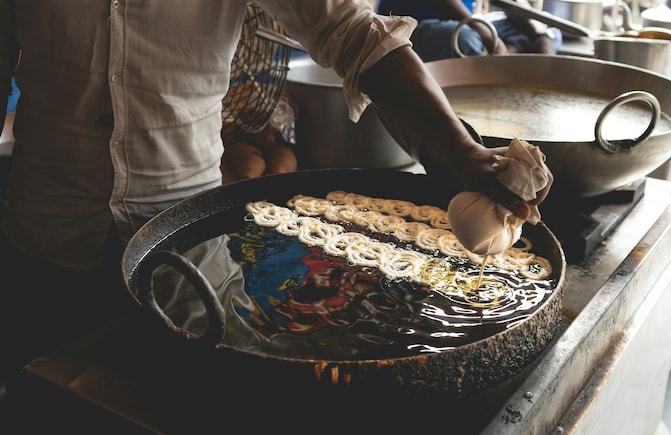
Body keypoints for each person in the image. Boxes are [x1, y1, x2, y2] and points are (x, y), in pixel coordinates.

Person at [0, 0, 552, 413]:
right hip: (45, 236)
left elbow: (354, 32)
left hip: (191, 248)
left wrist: (459, 150)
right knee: (43, 405)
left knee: (191, 409)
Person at [376, 0, 562, 61]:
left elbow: (516, 4)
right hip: (410, 30)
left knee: (554, 30)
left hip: (469, 24)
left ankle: (502, 59)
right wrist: (491, 38)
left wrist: (541, 33)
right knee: (462, 38)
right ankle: (504, 62)